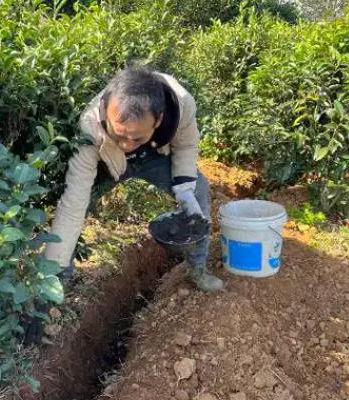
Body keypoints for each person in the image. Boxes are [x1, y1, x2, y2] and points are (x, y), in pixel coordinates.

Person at [45, 67, 223, 293]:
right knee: (79, 205)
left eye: (136, 137)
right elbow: (73, 202)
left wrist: (185, 191)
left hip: (155, 156)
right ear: (106, 113)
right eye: (119, 135)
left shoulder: (182, 104)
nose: (127, 145)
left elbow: (186, 145)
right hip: (109, 161)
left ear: (157, 121)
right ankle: (60, 278)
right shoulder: (90, 127)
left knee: (199, 188)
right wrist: (53, 268)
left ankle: (197, 268)